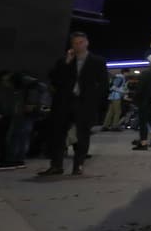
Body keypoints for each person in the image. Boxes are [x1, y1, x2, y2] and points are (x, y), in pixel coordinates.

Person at [38, 32, 106, 176]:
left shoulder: (97, 61)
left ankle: (78, 165)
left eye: (81, 42)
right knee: (58, 134)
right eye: (75, 43)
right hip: (64, 102)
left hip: (84, 103)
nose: (78, 45)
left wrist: (95, 101)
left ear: (87, 43)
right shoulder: (64, 61)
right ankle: (56, 165)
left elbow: (103, 83)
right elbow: (54, 79)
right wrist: (66, 62)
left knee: (82, 135)